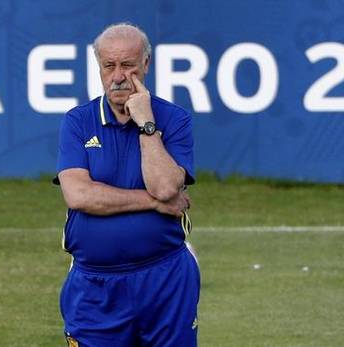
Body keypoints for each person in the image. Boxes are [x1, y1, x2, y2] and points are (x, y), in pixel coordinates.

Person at [55, 22, 199, 347]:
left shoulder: (174, 119)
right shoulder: (78, 121)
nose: (118, 76)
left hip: (165, 281)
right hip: (94, 287)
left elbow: (164, 187)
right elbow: (78, 194)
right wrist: (153, 204)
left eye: (127, 65)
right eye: (109, 66)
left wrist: (146, 123)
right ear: (99, 67)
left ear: (145, 64)